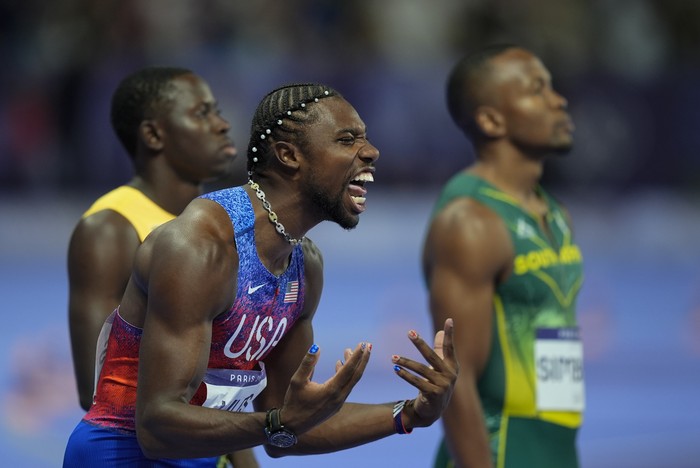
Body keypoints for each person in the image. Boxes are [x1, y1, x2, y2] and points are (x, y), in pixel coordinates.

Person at [63, 82, 458, 467]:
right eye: (346, 139)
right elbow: (156, 427)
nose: (371, 152)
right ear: (289, 156)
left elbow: (289, 426)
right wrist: (276, 424)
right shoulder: (201, 247)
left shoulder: (305, 267)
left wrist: (409, 414)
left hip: (201, 458)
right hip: (118, 455)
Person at [66, 66, 258, 467]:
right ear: (154, 135)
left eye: (217, 111)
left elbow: (223, 378)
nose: (222, 125)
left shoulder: (221, 227)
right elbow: (97, 387)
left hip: (203, 447)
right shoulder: (110, 230)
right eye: (202, 113)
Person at [422, 44, 585, 468]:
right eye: (538, 90)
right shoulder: (471, 222)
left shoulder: (554, 212)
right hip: (498, 449)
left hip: (555, 446)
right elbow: (457, 381)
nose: (559, 100)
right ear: (491, 119)